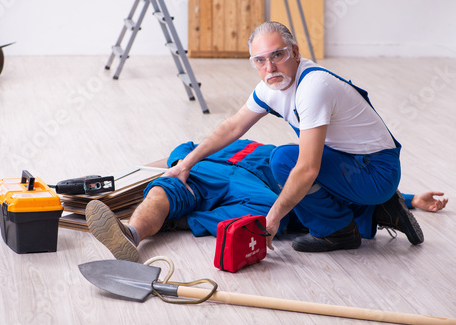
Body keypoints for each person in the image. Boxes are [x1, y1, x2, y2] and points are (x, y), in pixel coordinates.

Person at [161, 21, 427, 252]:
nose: (270, 66)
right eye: (260, 60)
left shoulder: (313, 86)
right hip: (354, 162)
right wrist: (186, 164)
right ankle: (381, 210)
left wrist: (273, 218)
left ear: (295, 53)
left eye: (278, 54)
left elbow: (309, 168)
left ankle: (338, 232)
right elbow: (233, 127)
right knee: (287, 158)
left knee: (285, 161)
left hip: (376, 172)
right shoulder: (272, 85)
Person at [85, 139, 448, 262]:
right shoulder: (208, 154)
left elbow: (167, 166)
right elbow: (165, 167)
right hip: (231, 180)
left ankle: (136, 232)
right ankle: (132, 233)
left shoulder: (213, 149)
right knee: (167, 189)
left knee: (287, 207)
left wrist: (409, 196)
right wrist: (409, 196)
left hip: (255, 189)